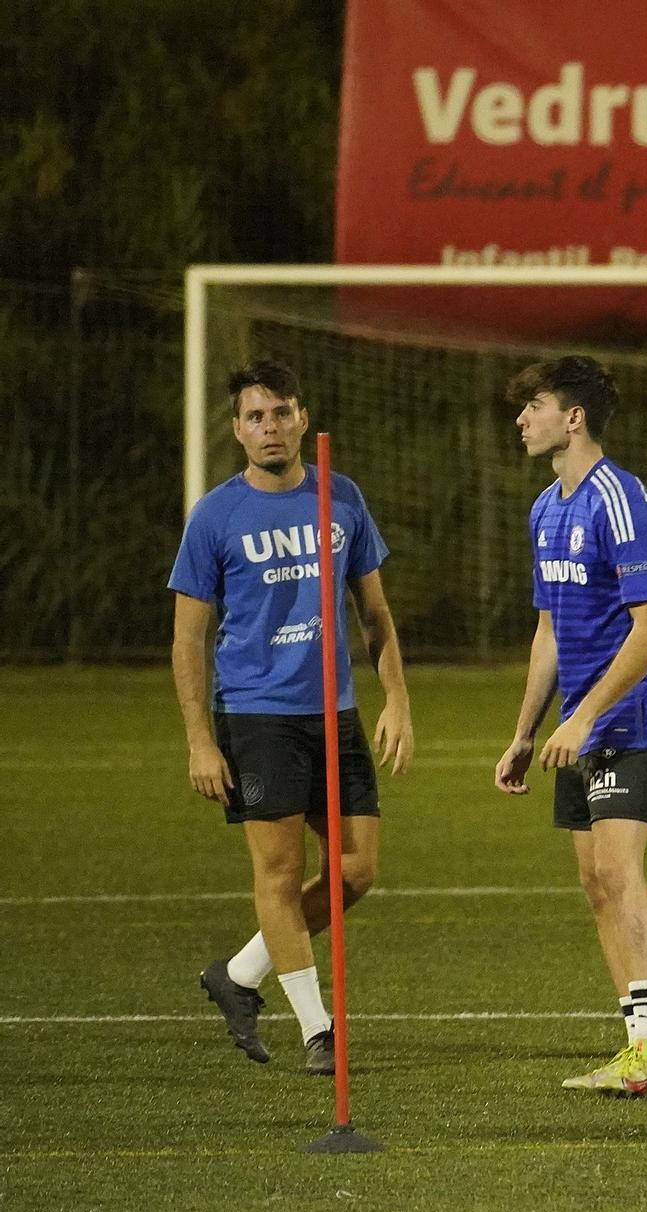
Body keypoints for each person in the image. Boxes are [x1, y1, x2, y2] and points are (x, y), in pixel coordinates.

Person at [172, 359, 414, 1075]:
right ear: (237, 430)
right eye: (255, 416)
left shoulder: (341, 497)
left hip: (334, 712)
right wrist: (198, 740)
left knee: (358, 870)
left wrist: (397, 695)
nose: (269, 427)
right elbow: (188, 636)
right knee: (281, 872)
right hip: (257, 715)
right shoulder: (217, 515)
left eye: (281, 413)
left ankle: (240, 974)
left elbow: (374, 612)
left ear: (302, 418)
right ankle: (319, 1029)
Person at [493, 355, 647, 1097]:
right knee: (594, 882)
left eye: (532, 405)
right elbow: (549, 630)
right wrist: (525, 728)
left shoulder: (621, 501)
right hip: (579, 724)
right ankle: (638, 1049)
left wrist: (587, 712)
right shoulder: (546, 509)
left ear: (572, 417)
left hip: (631, 718)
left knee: (618, 869)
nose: (521, 418)